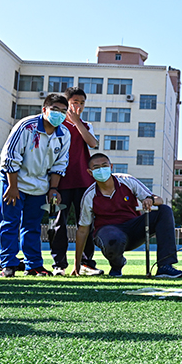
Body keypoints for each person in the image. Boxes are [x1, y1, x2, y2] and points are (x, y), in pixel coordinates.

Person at [72, 153, 182, 279]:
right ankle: (117, 265)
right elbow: (82, 230)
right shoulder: (89, 196)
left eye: (104, 166)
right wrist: (77, 264)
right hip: (108, 232)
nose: (101, 170)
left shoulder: (127, 181)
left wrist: (150, 200)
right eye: (96, 167)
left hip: (133, 228)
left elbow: (159, 200)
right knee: (112, 237)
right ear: (90, 172)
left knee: (164, 210)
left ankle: (165, 266)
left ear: (111, 167)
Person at [0, 94, 71, 277]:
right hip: (14, 180)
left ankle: (34, 265)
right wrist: (12, 186)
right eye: (55, 110)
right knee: (10, 222)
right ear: (44, 110)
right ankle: (8, 264)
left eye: (63, 111)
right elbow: (10, 157)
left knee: (33, 226)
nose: (59, 115)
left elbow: (60, 164)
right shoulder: (26, 126)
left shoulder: (64, 134)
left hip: (40, 185)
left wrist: (53, 189)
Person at [49, 87, 102, 276]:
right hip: (60, 182)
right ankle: (59, 265)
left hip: (83, 181)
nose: (78, 106)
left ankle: (87, 263)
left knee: (86, 222)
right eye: (74, 102)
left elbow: (93, 144)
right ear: (67, 103)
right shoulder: (57, 124)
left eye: (81, 103)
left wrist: (78, 122)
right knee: (58, 224)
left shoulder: (86, 125)